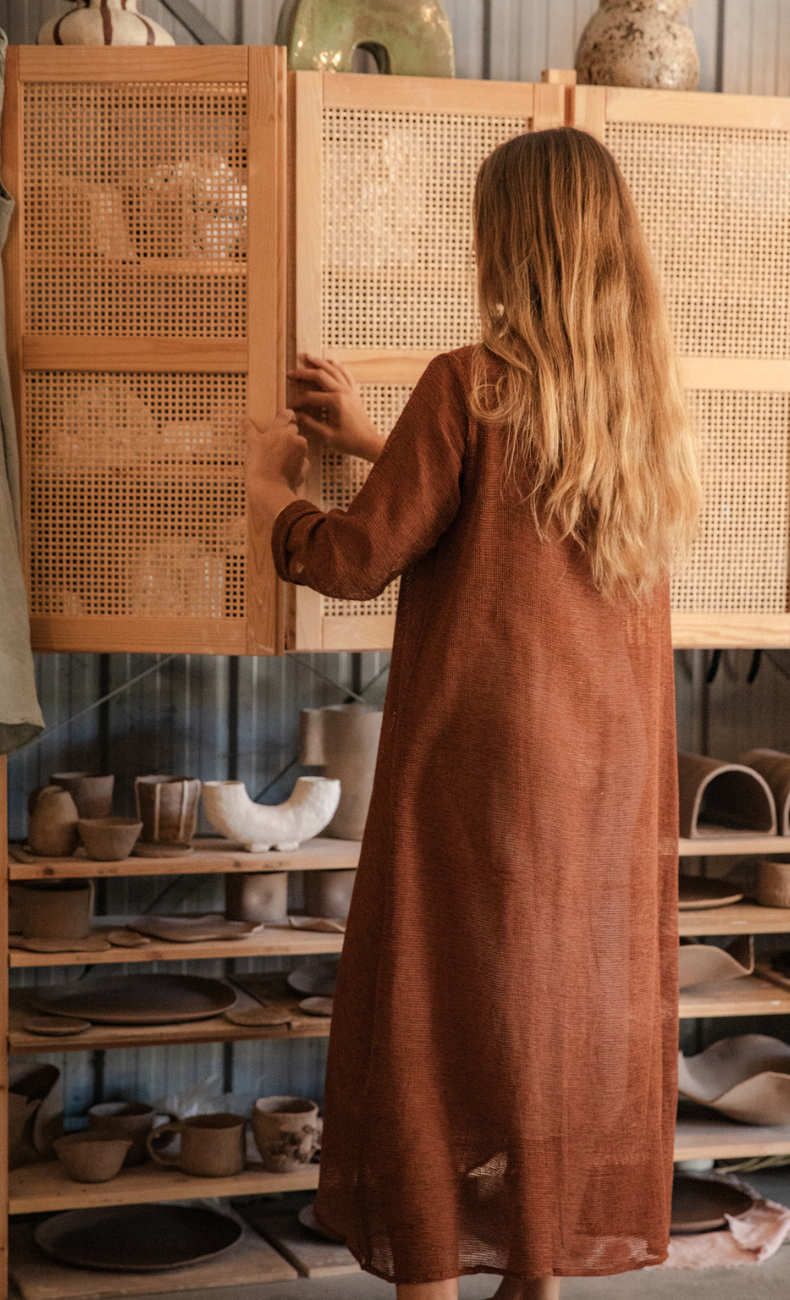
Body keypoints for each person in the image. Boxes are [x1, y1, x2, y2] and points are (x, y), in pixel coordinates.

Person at [245, 125, 700, 1300]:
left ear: (514, 243)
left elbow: (357, 558)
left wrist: (277, 502)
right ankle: (532, 1273)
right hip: (601, 777)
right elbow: (492, 502)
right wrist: (369, 435)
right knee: (546, 1016)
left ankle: (432, 1279)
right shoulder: (637, 407)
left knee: (432, 1012)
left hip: (477, 770)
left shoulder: (471, 383)